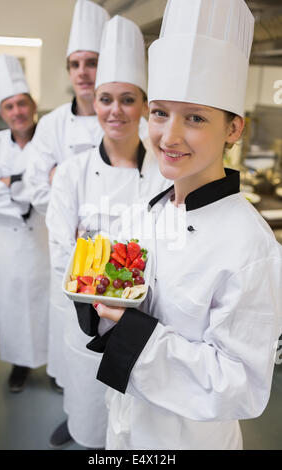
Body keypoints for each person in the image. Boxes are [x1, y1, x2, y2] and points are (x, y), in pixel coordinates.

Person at [81, 0, 282, 450]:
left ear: (234, 129)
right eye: (160, 112)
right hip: (127, 426)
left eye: (195, 118)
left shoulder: (251, 247)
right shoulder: (154, 206)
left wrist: (132, 335)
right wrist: (98, 299)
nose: (169, 137)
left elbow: (241, 385)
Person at [46, 15, 170, 449]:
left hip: (146, 318)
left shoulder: (165, 172)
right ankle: (81, 431)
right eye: (105, 99)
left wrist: (125, 289)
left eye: (127, 99)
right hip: (85, 315)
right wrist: (102, 295)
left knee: (134, 421)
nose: (115, 110)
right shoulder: (73, 174)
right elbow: (63, 249)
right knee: (86, 401)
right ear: (94, 103)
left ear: (143, 105)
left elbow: (171, 246)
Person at [24, 0, 109, 397]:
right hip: (67, 252)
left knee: (112, 341)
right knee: (71, 338)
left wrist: (65, 179)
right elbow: (36, 183)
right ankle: (77, 415)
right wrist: (67, 199)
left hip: (119, 255)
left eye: (91, 62)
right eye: (75, 64)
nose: (83, 72)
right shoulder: (53, 124)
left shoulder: (131, 122)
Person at [0, 55, 50, 393]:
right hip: (8, 245)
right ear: (2, 112)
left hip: (47, 241)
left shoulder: (49, 142)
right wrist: (30, 188)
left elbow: (55, 188)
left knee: (49, 304)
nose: (17, 111)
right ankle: (19, 365)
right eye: (9, 106)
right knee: (12, 304)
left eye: (22, 103)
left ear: (33, 104)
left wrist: (12, 181)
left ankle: (55, 368)